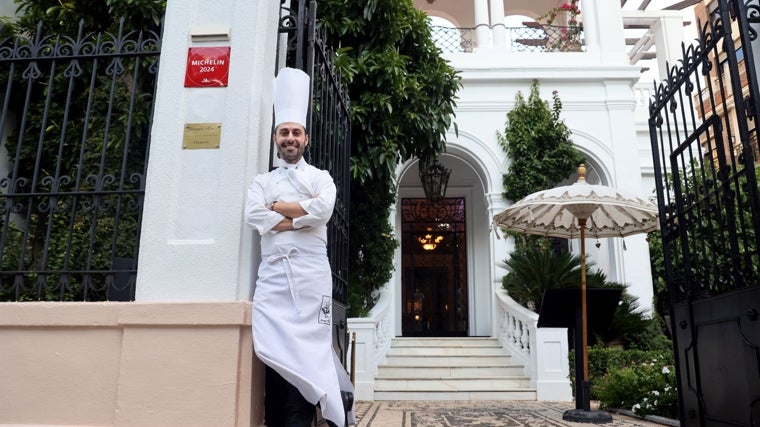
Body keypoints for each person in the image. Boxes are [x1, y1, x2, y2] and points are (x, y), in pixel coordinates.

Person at [245, 67, 352, 427]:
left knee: (310, 349)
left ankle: (302, 419)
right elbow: (253, 215)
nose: (290, 138)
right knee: (273, 345)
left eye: (296, 132)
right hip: (274, 275)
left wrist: (279, 210)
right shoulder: (262, 181)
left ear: (306, 139)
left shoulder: (320, 177)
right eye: (283, 132)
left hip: (311, 275)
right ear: (275, 138)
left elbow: (324, 210)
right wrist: (302, 216)